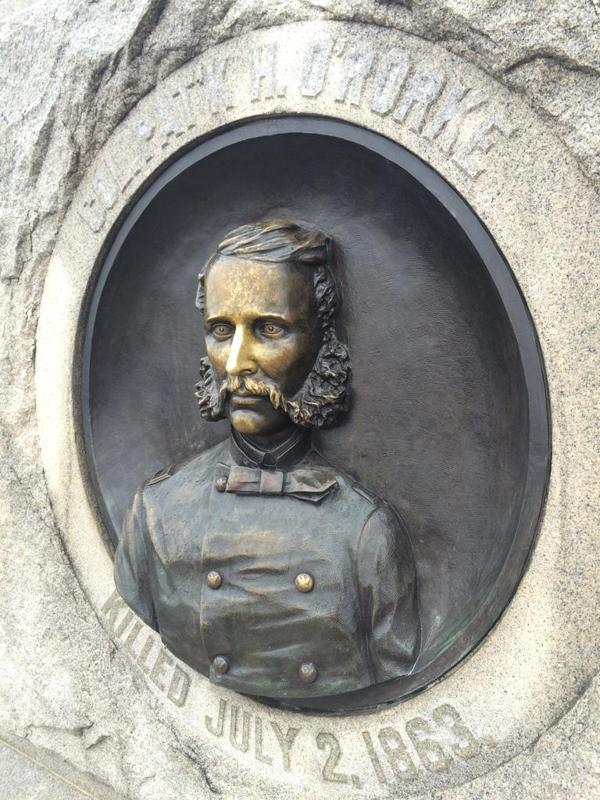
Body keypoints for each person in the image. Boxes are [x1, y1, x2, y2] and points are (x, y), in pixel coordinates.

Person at [114, 220, 420, 699]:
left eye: (269, 329)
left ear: (321, 341)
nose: (236, 363)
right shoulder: (157, 512)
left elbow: (396, 684)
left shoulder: (366, 533)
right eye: (220, 330)